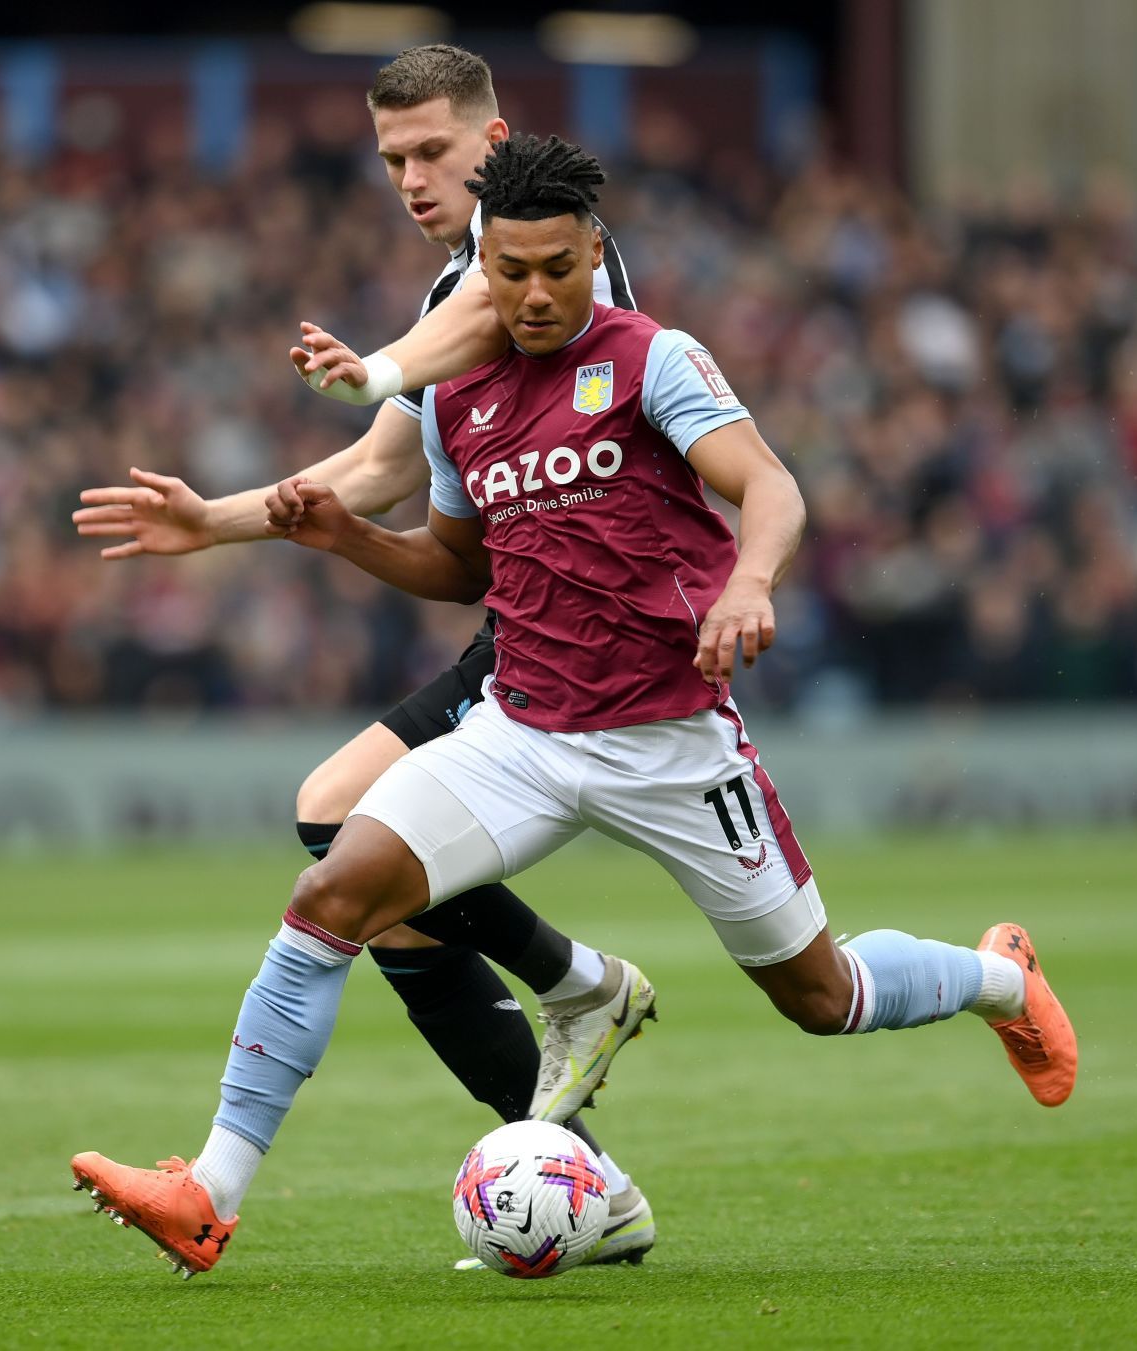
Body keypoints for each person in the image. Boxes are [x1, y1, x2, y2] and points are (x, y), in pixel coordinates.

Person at [68, 135, 1078, 1280]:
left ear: (596, 250)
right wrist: (348, 536)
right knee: (330, 889)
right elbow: (461, 569)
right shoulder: (455, 399)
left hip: (673, 743)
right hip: (522, 734)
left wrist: (749, 581)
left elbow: (772, 485)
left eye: (559, 266)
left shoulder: (652, 360)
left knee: (820, 994)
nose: (537, 293)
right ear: (480, 268)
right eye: (511, 271)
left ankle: (1001, 977)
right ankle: (209, 1190)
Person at [69, 45, 656, 1266]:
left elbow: (460, 343)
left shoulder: (534, 258)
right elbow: (384, 469)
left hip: (588, 645)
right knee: (378, 899)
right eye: (391, 158)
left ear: (492, 144)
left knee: (342, 827)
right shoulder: (464, 281)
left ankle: (579, 985)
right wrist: (216, 522)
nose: (408, 176)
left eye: (432, 151)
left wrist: (381, 365)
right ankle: (594, 1181)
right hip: (527, 631)